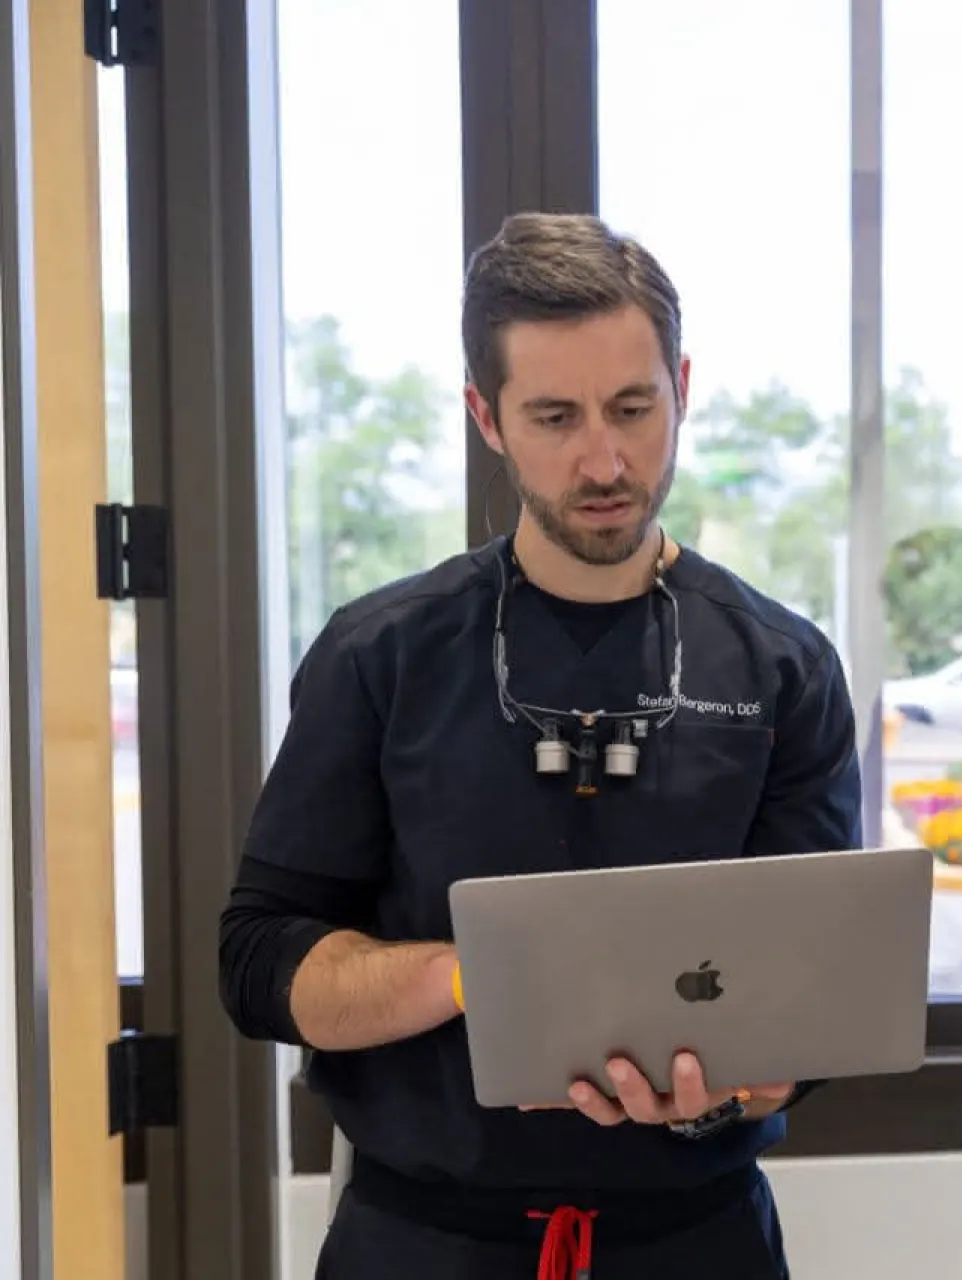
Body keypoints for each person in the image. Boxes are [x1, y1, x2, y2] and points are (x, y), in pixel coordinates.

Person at [218, 212, 860, 1279]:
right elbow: (258, 961)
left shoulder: (782, 666)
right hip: (423, 1240)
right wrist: (485, 977)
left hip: (698, 1241)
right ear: (487, 415)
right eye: (555, 416)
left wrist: (757, 1077)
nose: (603, 458)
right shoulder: (383, 655)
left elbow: (820, 985)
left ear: (683, 386)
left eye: (633, 407)